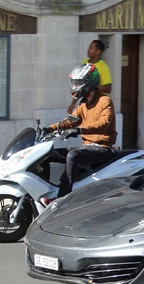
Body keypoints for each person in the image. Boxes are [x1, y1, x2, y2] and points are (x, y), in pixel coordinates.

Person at [45, 64, 117, 198]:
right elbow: (71, 121)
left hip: (102, 148)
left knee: (73, 156)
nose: (75, 86)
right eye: (75, 82)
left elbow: (104, 124)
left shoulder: (105, 101)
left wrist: (78, 131)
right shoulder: (83, 103)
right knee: (47, 154)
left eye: (79, 82)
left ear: (89, 82)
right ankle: (45, 192)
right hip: (86, 147)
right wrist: (49, 129)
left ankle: (61, 200)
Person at [67, 40, 112, 114]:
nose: (88, 49)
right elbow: (79, 87)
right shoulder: (84, 63)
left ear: (98, 52)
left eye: (91, 48)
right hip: (86, 102)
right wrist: (73, 104)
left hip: (98, 103)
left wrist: (91, 84)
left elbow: (108, 89)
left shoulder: (103, 67)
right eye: (89, 47)